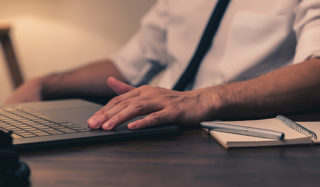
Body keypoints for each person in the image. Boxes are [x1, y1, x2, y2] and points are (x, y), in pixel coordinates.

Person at [5, 0, 320, 131]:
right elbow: (128, 64)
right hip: (153, 134)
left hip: (239, 140)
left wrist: (204, 98)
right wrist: (46, 82)